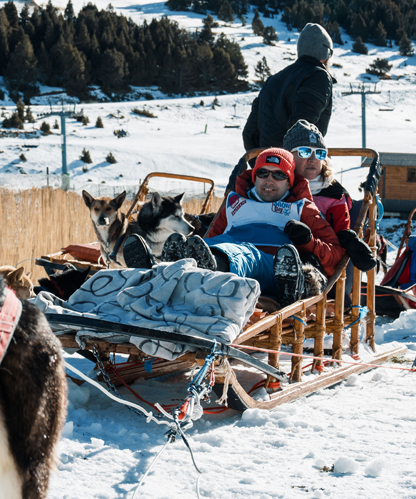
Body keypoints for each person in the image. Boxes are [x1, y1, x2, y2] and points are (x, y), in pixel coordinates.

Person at [126, 148, 344, 306]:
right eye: (263, 173)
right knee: (208, 243)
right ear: (255, 176)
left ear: (289, 181)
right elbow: (210, 239)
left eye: (278, 175)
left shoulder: (301, 208)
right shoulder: (235, 203)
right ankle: (158, 269)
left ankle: (201, 268)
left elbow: (335, 255)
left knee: (243, 253)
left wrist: (308, 242)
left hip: (272, 262)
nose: (269, 180)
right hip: (227, 246)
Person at [283, 120, 377, 272]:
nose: (313, 159)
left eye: (320, 153)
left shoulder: (334, 196)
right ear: (288, 155)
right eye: (305, 152)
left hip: (317, 261)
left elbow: (340, 236)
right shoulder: (275, 186)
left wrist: (350, 242)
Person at [243, 23, 335, 151]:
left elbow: (249, 133)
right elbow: (301, 129)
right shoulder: (318, 76)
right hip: (297, 165)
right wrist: (288, 165)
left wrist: (264, 164)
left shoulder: (273, 80)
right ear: (326, 53)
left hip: (268, 165)